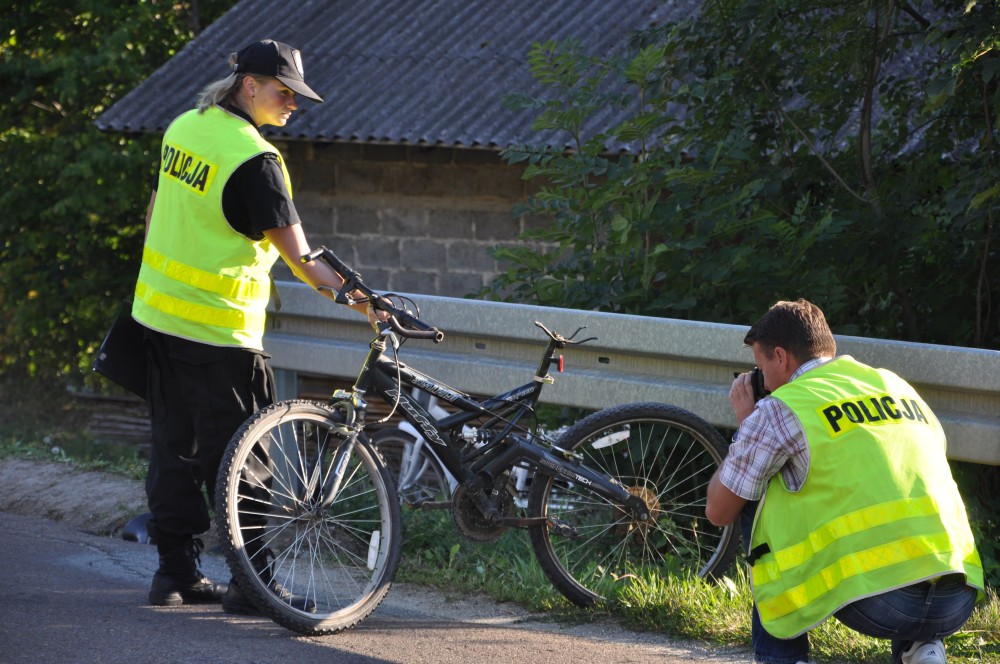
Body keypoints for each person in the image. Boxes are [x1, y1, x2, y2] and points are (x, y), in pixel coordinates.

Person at [132, 39, 377, 614]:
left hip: (160, 321)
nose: (293, 104)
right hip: (222, 335)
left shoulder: (185, 127)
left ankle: (173, 576)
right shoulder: (255, 160)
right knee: (246, 462)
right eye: (283, 92)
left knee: (172, 451)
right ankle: (253, 583)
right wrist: (367, 304)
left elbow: (153, 213)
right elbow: (302, 261)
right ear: (249, 85)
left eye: (297, 95)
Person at [706, 299, 984, 664]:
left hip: (880, 600)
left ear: (779, 357)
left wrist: (747, 427)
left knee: (754, 496)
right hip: (959, 593)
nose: (762, 380)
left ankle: (783, 657)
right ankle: (921, 647)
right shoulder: (895, 385)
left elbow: (719, 510)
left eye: (760, 368)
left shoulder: (783, 407)